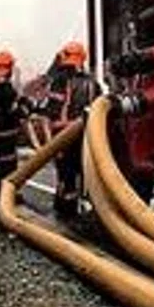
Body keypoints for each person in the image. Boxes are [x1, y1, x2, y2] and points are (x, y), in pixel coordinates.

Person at [31, 41, 102, 217]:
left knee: (66, 175)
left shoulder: (59, 82)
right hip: (86, 135)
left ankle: (65, 211)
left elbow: (48, 113)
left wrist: (48, 144)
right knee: (85, 171)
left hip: (63, 138)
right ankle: (89, 206)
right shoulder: (93, 83)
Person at [0, 50, 27, 180]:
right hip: (5, 132)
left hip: (0, 132)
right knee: (8, 165)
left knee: (7, 163)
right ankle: (6, 194)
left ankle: (7, 192)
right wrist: (24, 110)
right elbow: (11, 110)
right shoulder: (2, 89)